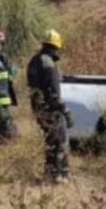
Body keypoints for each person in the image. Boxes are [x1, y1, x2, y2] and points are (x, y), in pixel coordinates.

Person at [26, 29, 73, 184]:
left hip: (39, 108)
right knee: (60, 140)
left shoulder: (35, 60)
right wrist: (65, 111)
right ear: (56, 46)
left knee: (51, 141)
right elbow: (53, 93)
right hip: (50, 109)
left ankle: (50, 174)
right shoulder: (48, 63)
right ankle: (58, 176)